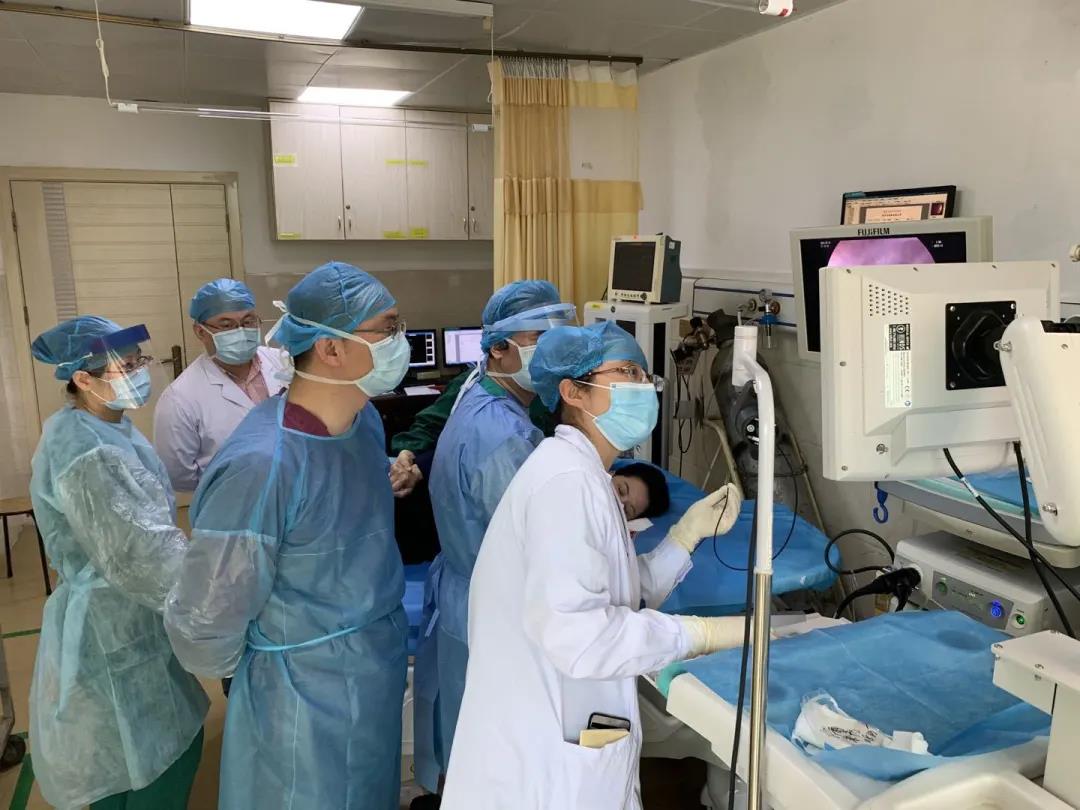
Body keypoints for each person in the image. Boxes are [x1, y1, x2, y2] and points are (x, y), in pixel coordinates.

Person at [441, 321, 745, 810]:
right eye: (625, 372)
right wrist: (699, 634)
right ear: (572, 391)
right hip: (543, 765)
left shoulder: (586, 475)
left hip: (566, 733)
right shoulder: (566, 482)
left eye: (643, 374)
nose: (642, 386)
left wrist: (685, 537)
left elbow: (617, 590)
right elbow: (581, 636)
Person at [164, 262, 411, 810]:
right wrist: (280, 663)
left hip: (374, 666)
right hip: (299, 694)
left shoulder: (363, 422)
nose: (401, 341)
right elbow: (206, 622)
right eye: (388, 328)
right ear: (330, 348)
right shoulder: (263, 465)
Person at [27, 316, 208, 810]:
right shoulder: (86, 451)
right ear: (83, 379)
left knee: (153, 741)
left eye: (138, 361)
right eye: (125, 367)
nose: (139, 372)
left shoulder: (106, 425)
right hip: (112, 623)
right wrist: (212, 597)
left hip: (131, 611)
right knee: (142, 751)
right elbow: (139, 554)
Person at [413, 281, 575, 798]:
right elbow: (538, 542)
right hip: (494, 607)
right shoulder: (505, 436)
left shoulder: (481, 394)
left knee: (467, 738)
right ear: (498, 348)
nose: (551, 351)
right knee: (494, 760)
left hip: (469, 589)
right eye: (537, 340)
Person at [154, 278, 285, 493]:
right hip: (233, 501)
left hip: (296, 490)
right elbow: (178, 475)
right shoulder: (179, 398)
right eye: (226, 325)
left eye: (248, 321)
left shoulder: (285, 363)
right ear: (200, 332)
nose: (241, 331)